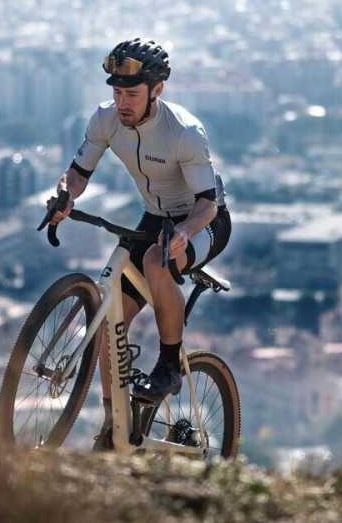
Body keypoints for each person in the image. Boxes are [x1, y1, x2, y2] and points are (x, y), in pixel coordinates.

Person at [47, 37, 231, 450]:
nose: (122, 102)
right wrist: (65, 196)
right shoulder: (106, 120)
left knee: (155, 259)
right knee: (111, 318)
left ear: (157, 90)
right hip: (155, 218)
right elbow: (78, 172)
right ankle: (115, 426)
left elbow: (208, 206)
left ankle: (169, 365)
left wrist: (183, 234)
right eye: (116, 92)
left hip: (204, 222)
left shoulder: (184, 132)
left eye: (131, 93)